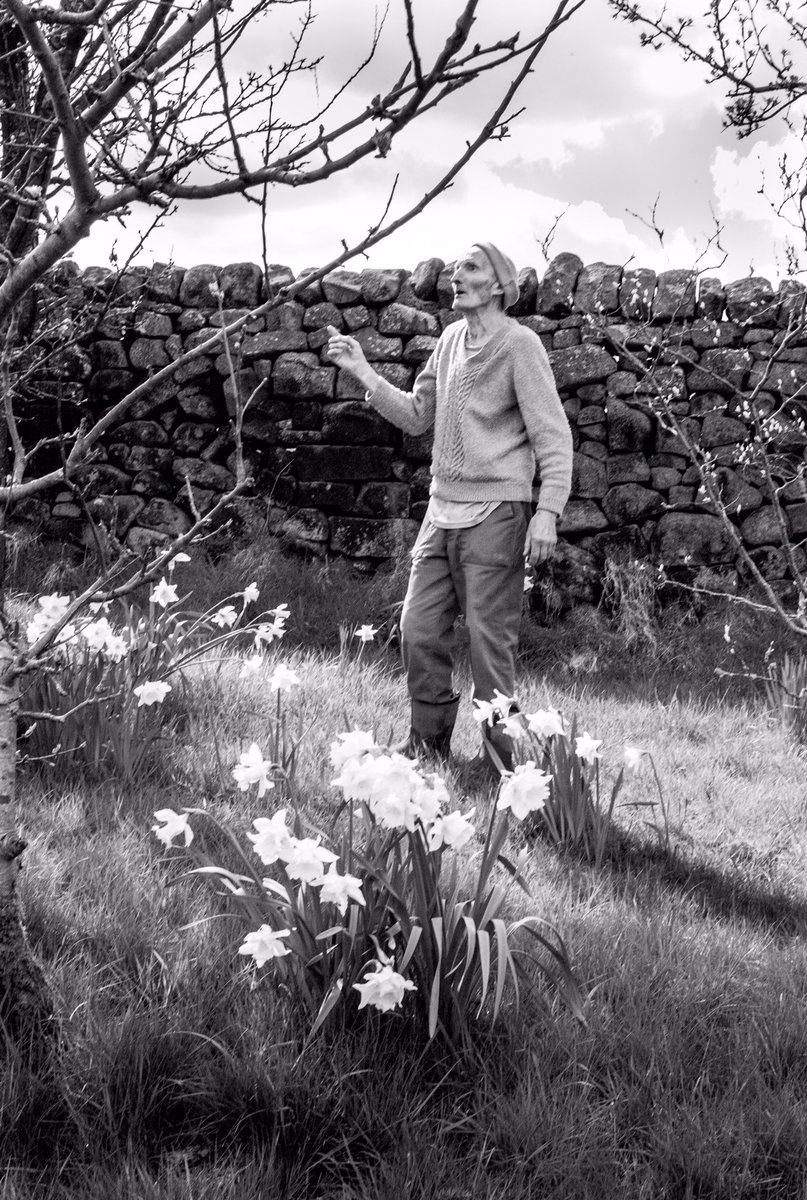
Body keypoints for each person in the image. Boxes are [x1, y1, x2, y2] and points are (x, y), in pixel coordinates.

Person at [326, 242, 573, 774]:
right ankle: (428, 744)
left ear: (498, 284)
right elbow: (418, 417)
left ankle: (504, 763)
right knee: (417, 627)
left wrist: (548, 510)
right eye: (457, 267)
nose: (455, 275)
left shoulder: (520, 345)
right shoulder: (450, 340)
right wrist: (363, 371)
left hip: (498, 511)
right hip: (441, 512)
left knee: (489, 645)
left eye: (470, 266)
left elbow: (552, 435)